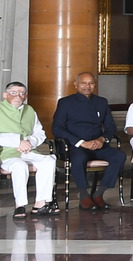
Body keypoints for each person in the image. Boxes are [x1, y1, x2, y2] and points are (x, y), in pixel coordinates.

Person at [0, 81, 58, 217]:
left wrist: (30, 142)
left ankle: (40, 203)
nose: (18, 96)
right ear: (5, 95)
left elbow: (40, 133)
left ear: (25, 96)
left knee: (49, 161)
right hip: (4, 153)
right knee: (19, 165)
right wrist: (17, 142)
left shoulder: (30, 110)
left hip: (28, 151)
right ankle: (20, 205)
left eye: (22, 93)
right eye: (13, 93)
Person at [51, 72, 125, 211]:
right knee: (79, 158)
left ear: (95, 85)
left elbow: (110, 127)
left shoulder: (101, 102)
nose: (87, 86)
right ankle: (84, 196)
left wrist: (102, 139)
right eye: (83, 83)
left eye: (91, 83)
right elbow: (57, 128)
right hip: (75, 146)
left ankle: (99, 194)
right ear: (76, 84)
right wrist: (80, 142)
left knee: (119, 156)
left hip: (98, 145)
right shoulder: (65, 102)